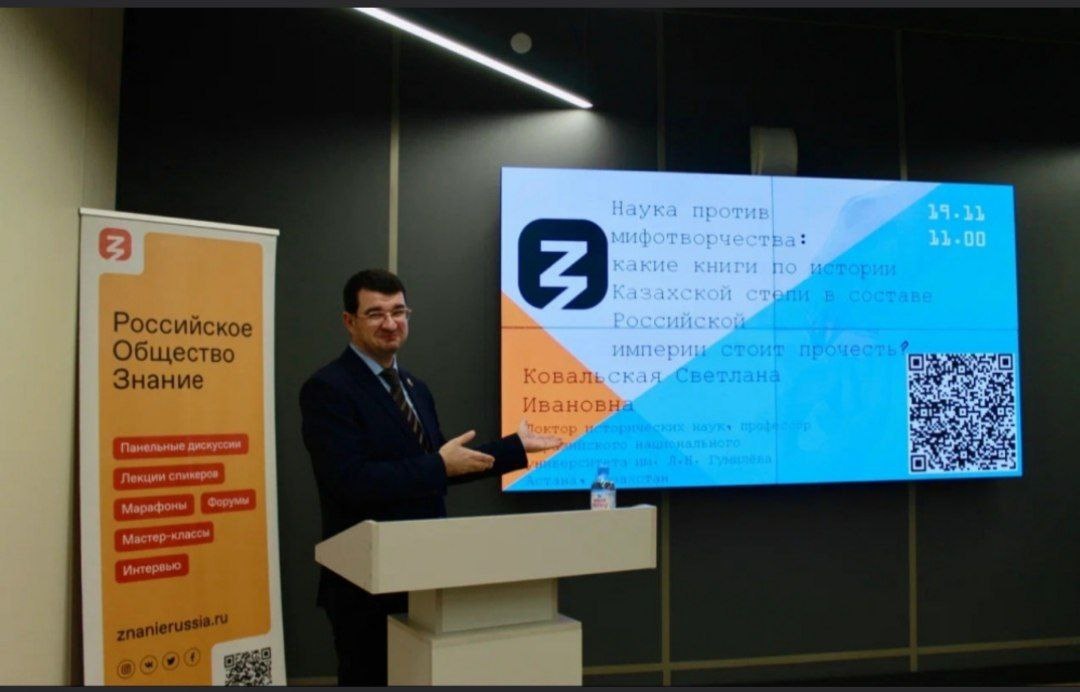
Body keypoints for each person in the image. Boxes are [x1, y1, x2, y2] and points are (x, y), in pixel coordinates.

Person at [299, 268, 562, 686]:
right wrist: (438, 466)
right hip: (366, 584)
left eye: (399, 311)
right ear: (349, 321)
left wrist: (513, 448)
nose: (391, 323)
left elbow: (440, 466)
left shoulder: (414, 387)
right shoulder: (328, 388)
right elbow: (349, 481)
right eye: (376, 313)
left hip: (426, 573)